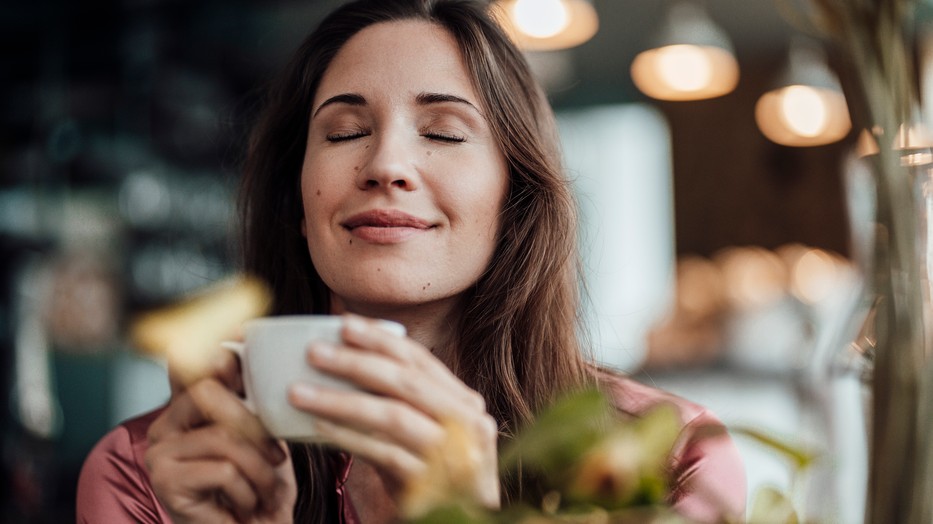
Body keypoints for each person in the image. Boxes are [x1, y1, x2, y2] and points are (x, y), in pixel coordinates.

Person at [76, 0, 746, 522]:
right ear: (296, 202)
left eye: (444, 134)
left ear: (514, 202)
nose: (386, 164)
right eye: (345, 132)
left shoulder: (667, 455)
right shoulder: (145, 474)